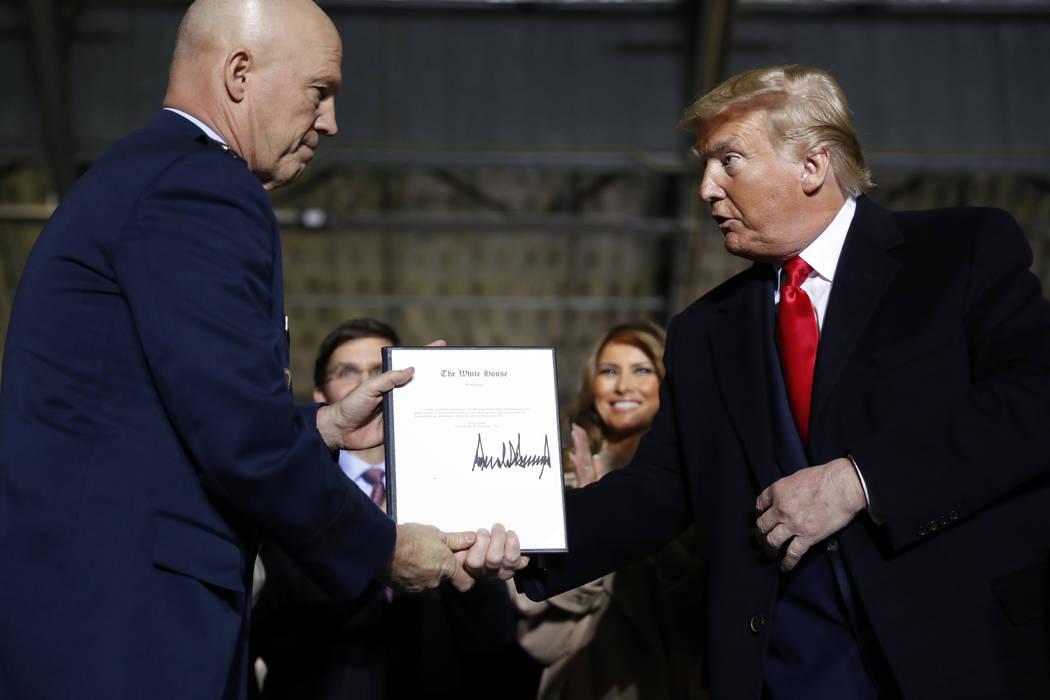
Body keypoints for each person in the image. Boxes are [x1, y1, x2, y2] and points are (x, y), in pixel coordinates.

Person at [0, 2, 524, 699]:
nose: (332, 121)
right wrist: (384, 547)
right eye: (321, 91)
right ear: (239, 74)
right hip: (132, 628)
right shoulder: (203, 186)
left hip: (91, 612)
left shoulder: (141, 179)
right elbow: (239, 433)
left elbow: (174, 410)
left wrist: (324, 426)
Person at [516, 65, 1050, 699]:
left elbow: (1034, 396)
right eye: (704, 166)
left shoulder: (960, 252)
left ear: (812, 165)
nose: (707, 189)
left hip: (961, 656)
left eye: (729, 161)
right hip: (786, 672)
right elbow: (660, 490)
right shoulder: (705, 330)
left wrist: (861, 479)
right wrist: (520, 535)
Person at [252, 318, 523, 699]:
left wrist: (481, 566)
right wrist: (376, 542)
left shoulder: (452, 485)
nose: (367, 382)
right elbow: (270, 623)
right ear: (319, 395)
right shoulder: (289, 488)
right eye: (348, 372)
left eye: (381, 369)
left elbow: (494, 633)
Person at [514, 321, 705, 700]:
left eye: (642, 370)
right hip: (590, 678)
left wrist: (617, 516)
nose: (623, 386)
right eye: (609, 371)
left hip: (679, 676)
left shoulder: (700, 475)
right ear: (592, 384)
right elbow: (532, 616)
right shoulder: (552, 471)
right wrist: (584, 521)